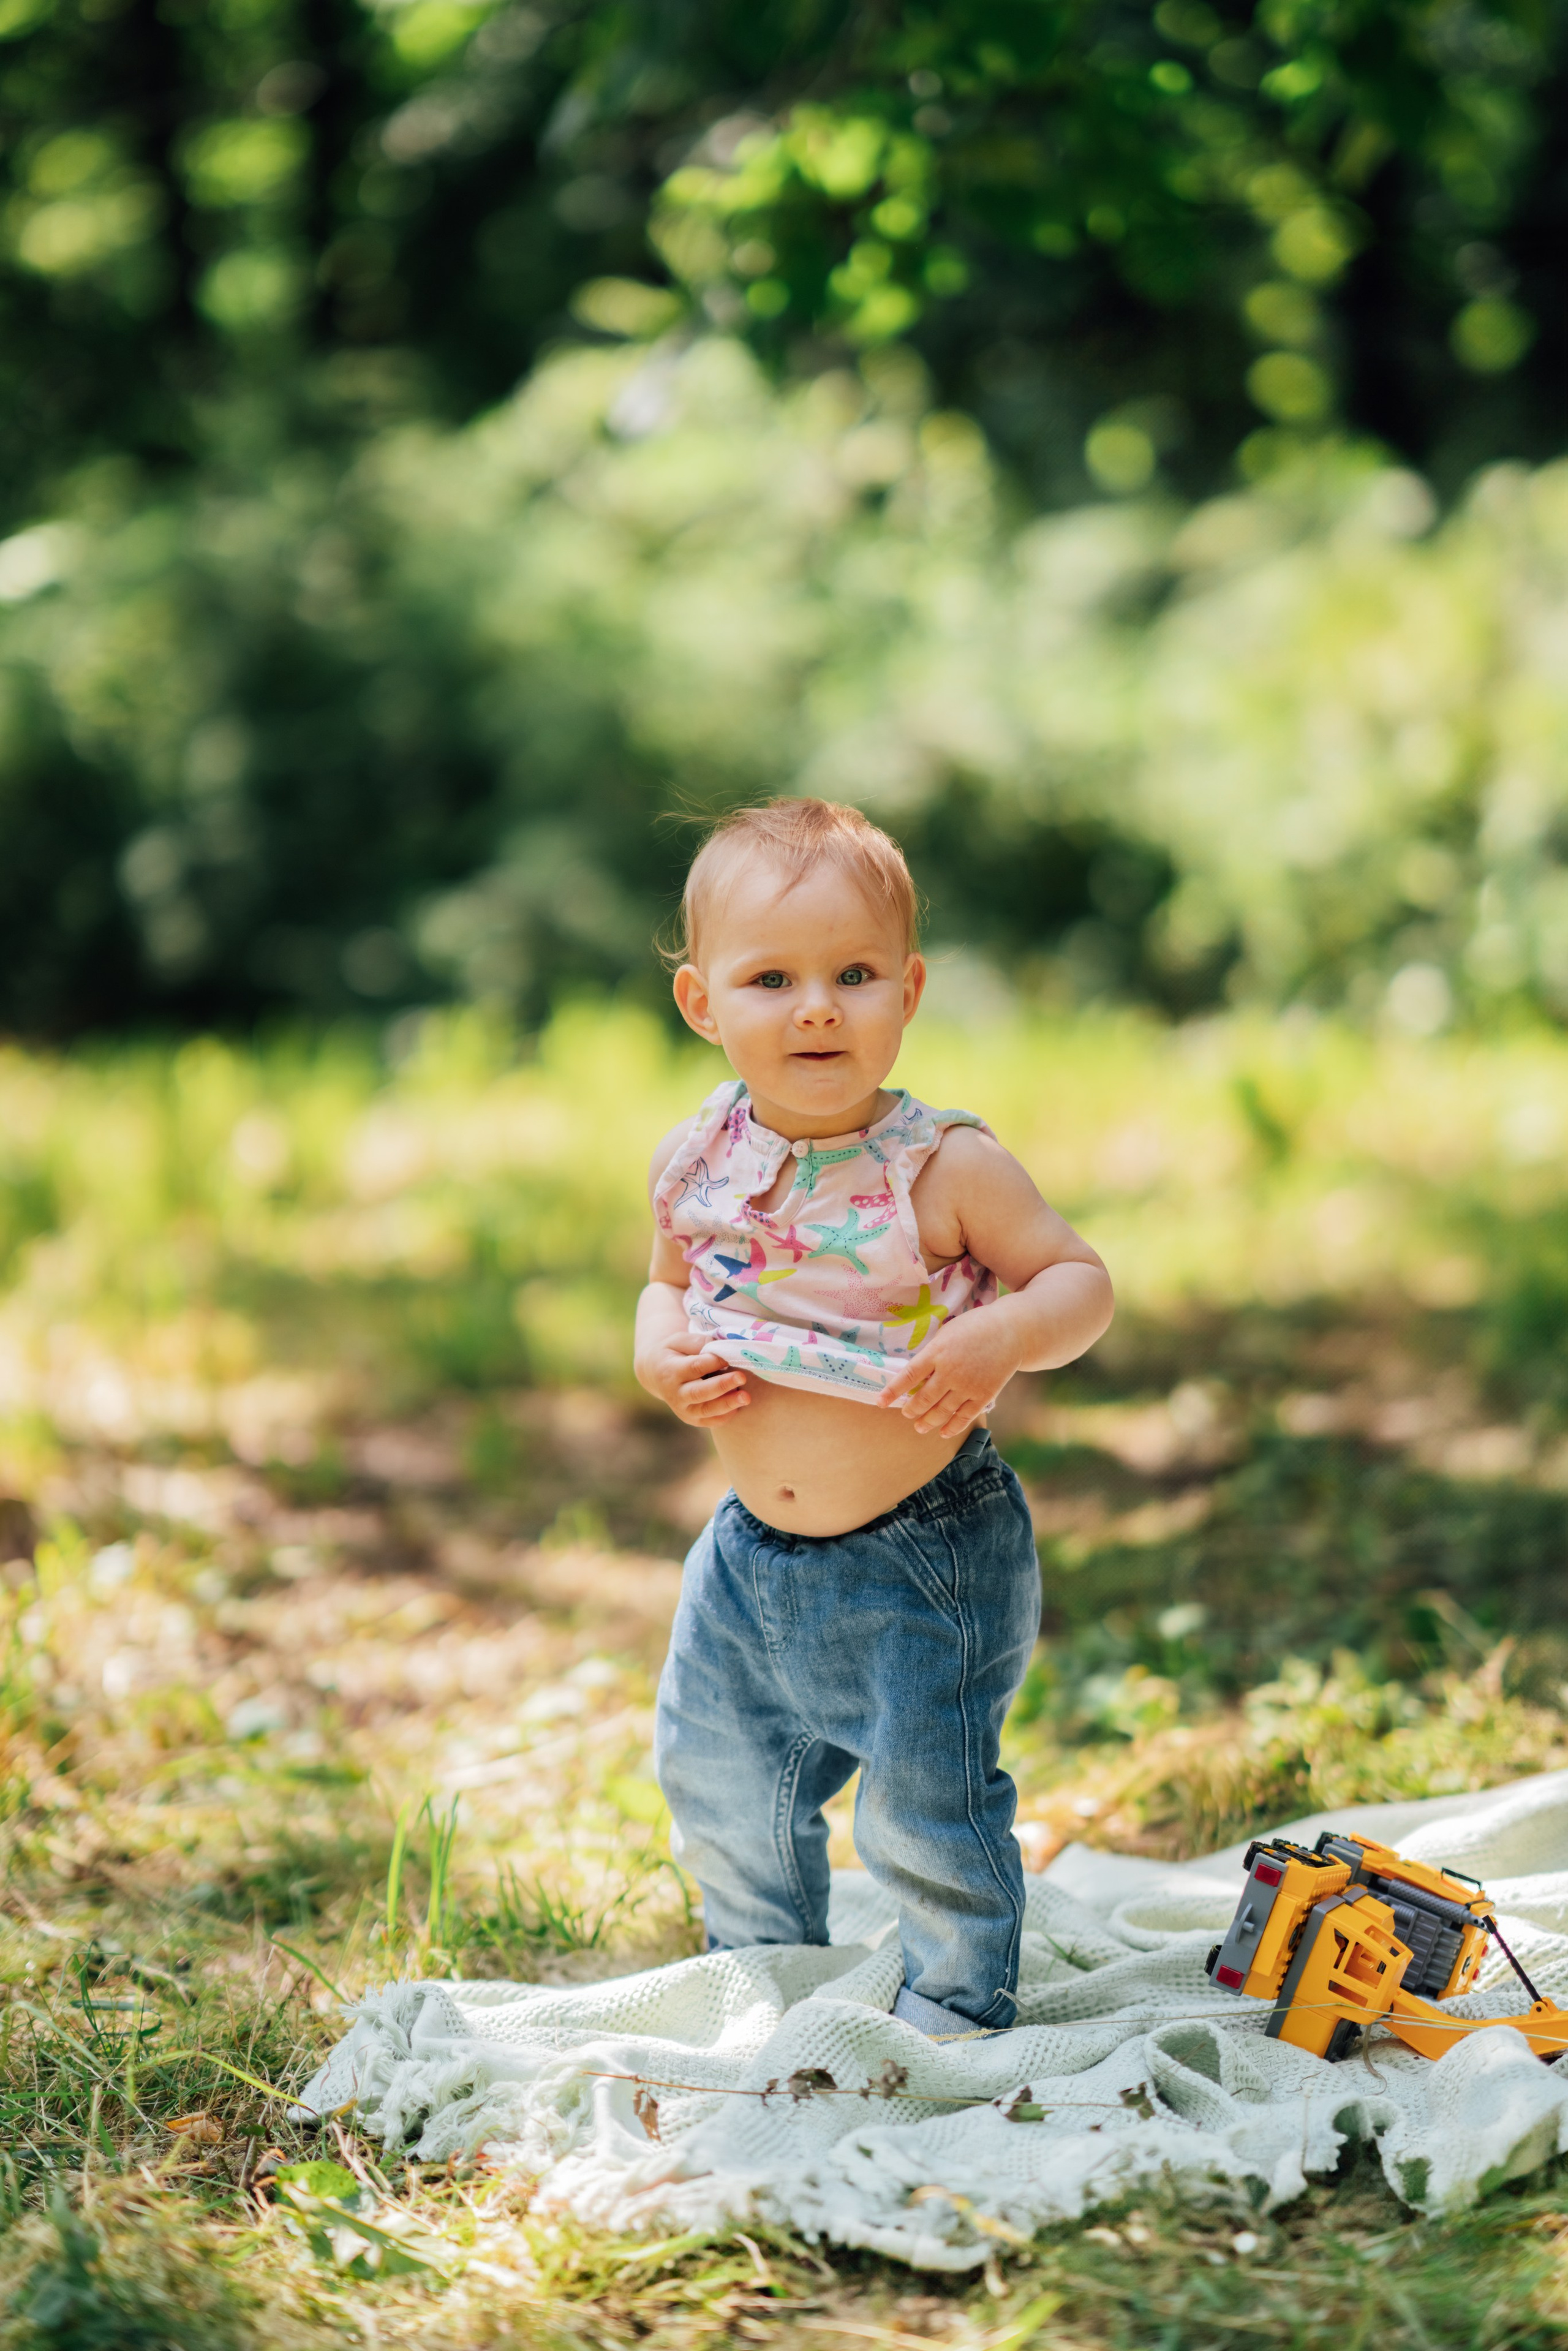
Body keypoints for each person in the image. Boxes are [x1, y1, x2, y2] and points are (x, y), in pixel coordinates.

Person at [634, 799, 1114, 2040]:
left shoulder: (942, 1165)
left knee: (922, 1794)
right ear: (702, 1003)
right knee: (719, 1771)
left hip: (921, 1548)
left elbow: (1077, 1281)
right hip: (745, 1556)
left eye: (853, 974)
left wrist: (1000, 1330)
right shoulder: (698, 1158)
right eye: (770, 977)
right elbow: (668, 1279)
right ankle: (764, 1964)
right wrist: (656, 1349)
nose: (815, 1007)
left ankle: (953, 1999)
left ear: (906, 992)